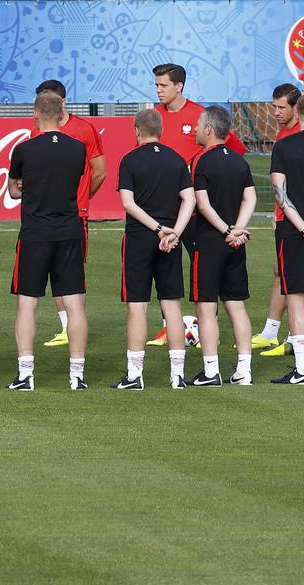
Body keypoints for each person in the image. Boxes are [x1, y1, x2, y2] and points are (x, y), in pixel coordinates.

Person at [147, 62, 246, 347]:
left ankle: (205, 331)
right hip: (164, 209)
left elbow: (233, 150)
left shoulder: (200, 117)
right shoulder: (155, 118)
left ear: (179, 86)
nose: (159, 90)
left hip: (197, 211)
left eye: (163, 85)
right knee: (166, 269)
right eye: (156, 85)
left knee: (204, 271)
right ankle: (170, 327)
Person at [7, 92, 88, 391]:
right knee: (75, 304)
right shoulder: (77, 148)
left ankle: (26, 374)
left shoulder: (24, 150)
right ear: (61, 114)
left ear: (37, 114)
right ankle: (77, 374)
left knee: (27, 304)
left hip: (35, 234)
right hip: (68, 231)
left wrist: (25, 185)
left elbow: (15, 192)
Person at [112, 109, 196, 390]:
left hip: (139, 238)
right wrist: (174, 232)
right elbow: (189, 200)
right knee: (172, 306)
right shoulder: (176, 159)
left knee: (137, 306)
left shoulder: (130, 159)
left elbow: (128, 203)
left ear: (136, 130)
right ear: (160, 129)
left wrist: (158, 229)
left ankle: (135, 376)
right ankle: (177, 376)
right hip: (169, 241)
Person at [32, 80, 106, 349]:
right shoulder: (37, 131)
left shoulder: (84, 129)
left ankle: (73, 327)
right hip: (44, 215)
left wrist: (83, 199)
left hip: (75, 215)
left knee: (72, 272)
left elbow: (99, 171)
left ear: (63, 102)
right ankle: (66, 327)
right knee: (51, 271)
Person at [187, 106, 256, 387]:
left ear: (209, 130)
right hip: (235, 244)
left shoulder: (201, 162)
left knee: (206, 307)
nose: (194, 129)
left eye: (198, 125)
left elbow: (202, 205)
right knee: (236, 306)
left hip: (209, 243)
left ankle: (211, 370)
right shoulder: (240, 161)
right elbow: (249, 199)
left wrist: (227, 230)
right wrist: (237, 230)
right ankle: (244, 371)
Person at [269, 91, 304, 384]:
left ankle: (303, 369)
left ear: (298, 115)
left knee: (297, 297)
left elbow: (280, 194)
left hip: (294, 234)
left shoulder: (284, 146)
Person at [252, 84, 303, 353]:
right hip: (286, 214)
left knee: (296, 279)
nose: (276, 112)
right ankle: (272, 332)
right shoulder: (284, 132)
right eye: (274, 107)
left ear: (296, 107)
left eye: (282, 107)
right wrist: (277, 210)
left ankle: (299, 340)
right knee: (281, 271)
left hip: (302, 218)